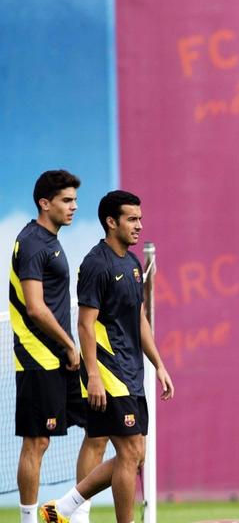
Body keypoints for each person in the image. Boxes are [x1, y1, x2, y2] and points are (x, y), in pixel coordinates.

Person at [41, 190, 175, 523]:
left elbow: (139, 318)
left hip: (132, 372)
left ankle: (62, 509)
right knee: (129, 452)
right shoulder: (96, 264)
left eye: (140, 218)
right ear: (111, 222)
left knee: (135, 455)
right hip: (107, 371)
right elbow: (84, 325)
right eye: (132, 219)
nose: (139, 225)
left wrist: (158, 364)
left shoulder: (132, 264)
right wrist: (94, 376)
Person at [11, 170, 106, 523]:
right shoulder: (34, 242)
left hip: (63, 358)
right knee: (37, 443)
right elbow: (35, 307)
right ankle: (28, 520)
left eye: (75, 200)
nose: (74, 207)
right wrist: (70, 346)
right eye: (67, 200)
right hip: (39, 358)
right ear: (44, 203)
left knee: (99, 427)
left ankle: (70, 513)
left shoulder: (50, 240)